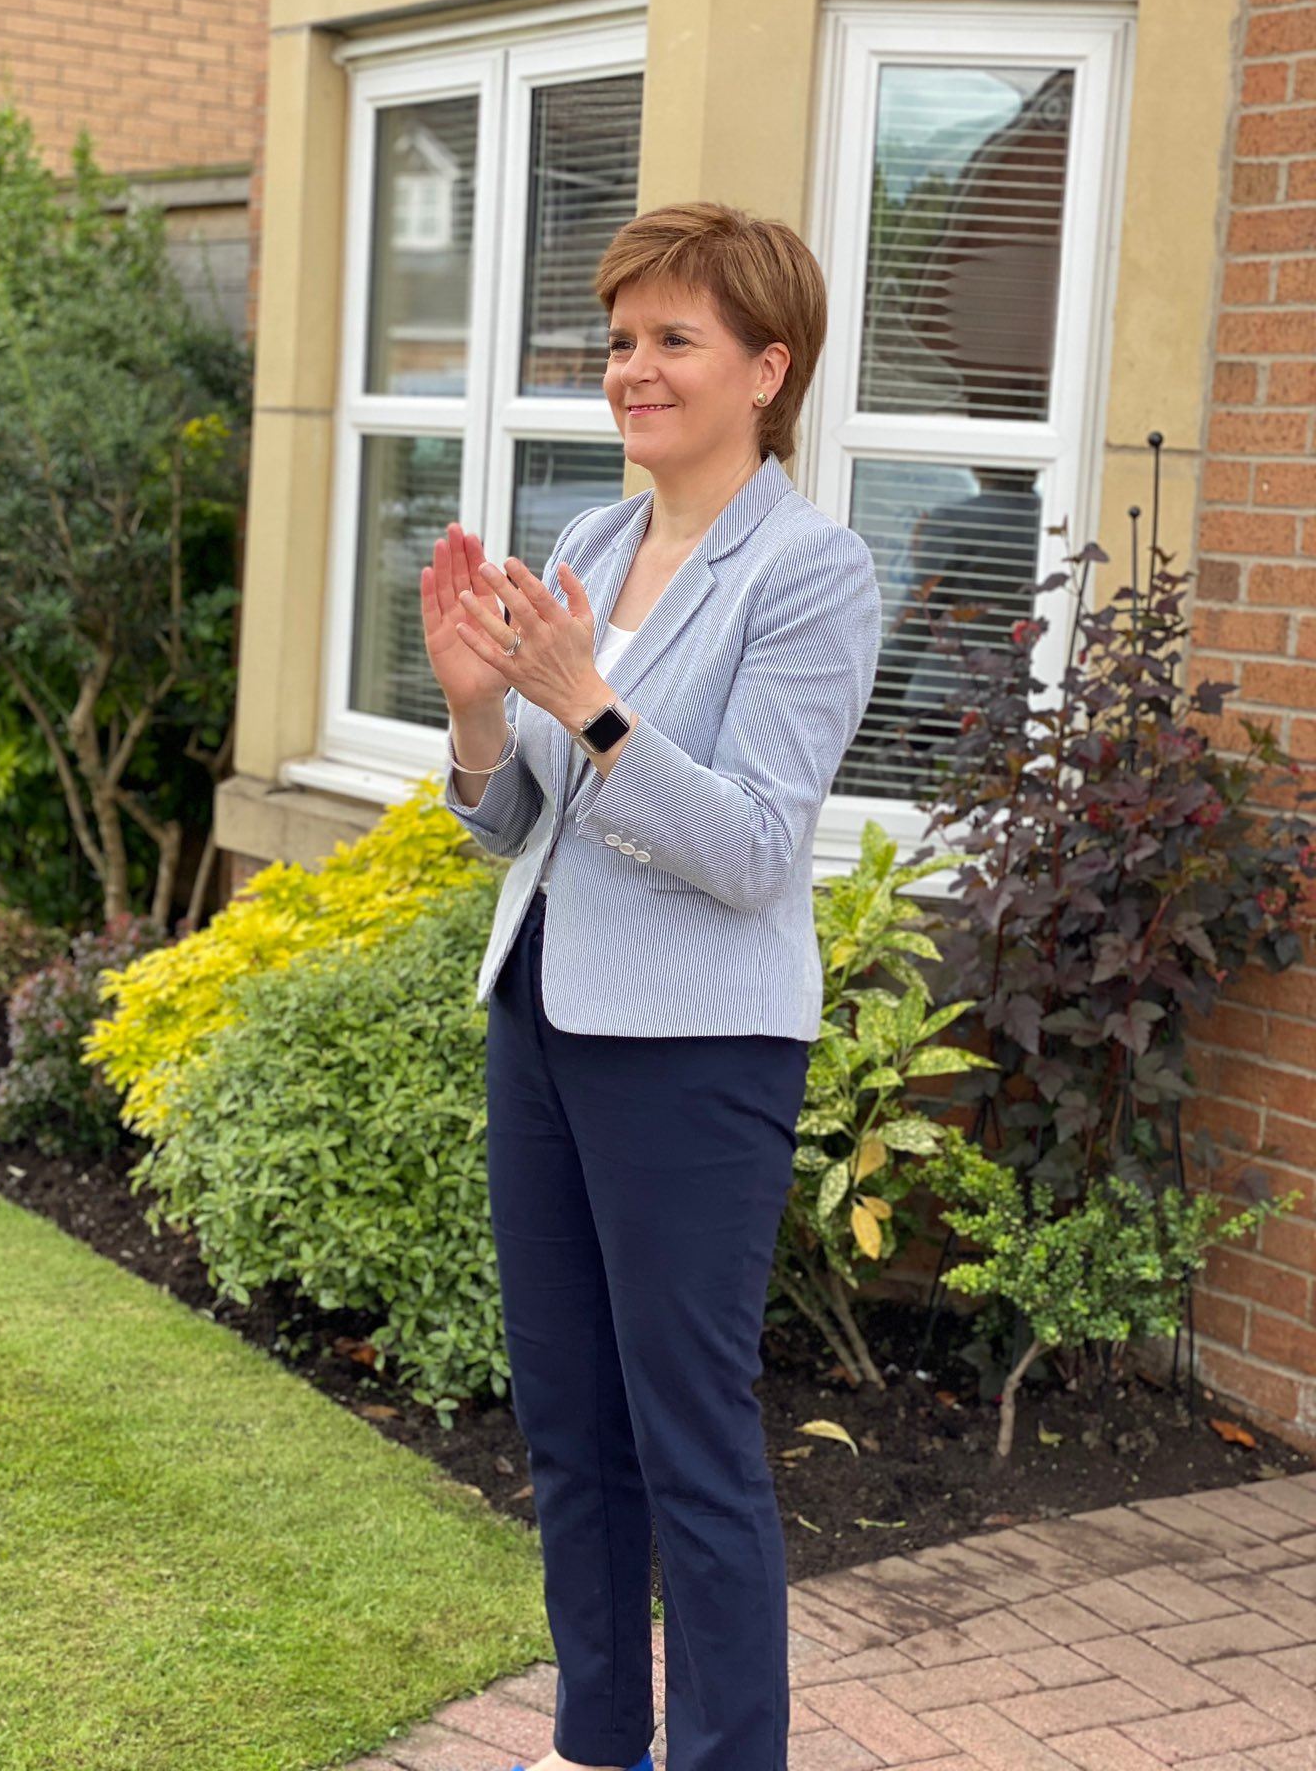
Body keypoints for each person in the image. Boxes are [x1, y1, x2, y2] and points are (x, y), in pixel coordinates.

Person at [417, 201, 882, 1771]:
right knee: (570, 1428)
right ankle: (595, 1741)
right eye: (621, 339)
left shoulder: (813, 572)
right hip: (541, 1015)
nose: (634, 368)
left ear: (768, 367)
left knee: (690, 1445)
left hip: (696, 1050)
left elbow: (753, 848)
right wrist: (488, 715)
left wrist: (591, 705)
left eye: (673, 339)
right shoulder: (591, 545)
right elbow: (518, 821)